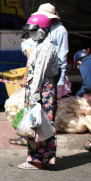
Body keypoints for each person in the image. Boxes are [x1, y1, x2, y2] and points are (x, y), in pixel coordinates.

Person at [18, 14, 59, 170]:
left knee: (41, 124)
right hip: (37, 88)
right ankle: (34, 157)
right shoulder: (40, 45)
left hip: (42, 90)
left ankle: (39, 160)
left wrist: (34, 95)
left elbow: (39, 73)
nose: (32, 33)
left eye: (35, 30)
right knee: (34, 123)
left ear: (44, 30)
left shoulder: (47, 47)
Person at [32, 3, 69, 93]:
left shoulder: (60, 30)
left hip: (51, 71)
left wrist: (61, 78)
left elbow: (62, 54)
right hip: (38, 70)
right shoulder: (39, 28)